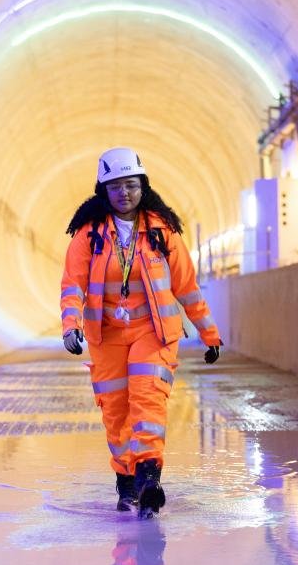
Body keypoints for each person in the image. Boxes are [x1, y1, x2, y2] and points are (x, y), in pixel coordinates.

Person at [60, 147, 223, 519]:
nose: (124, 194)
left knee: (147, 399)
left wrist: (209, 333)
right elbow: (73, 285)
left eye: (131, 185)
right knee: (117, 412)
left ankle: (150, 477)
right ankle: (127, 482)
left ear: (143, 186)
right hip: (107, 336)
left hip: (154, 332)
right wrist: (70, 325)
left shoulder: (162, 232)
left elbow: (187, 287)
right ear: (103, 191)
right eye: (115, 187)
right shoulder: (89, 235)